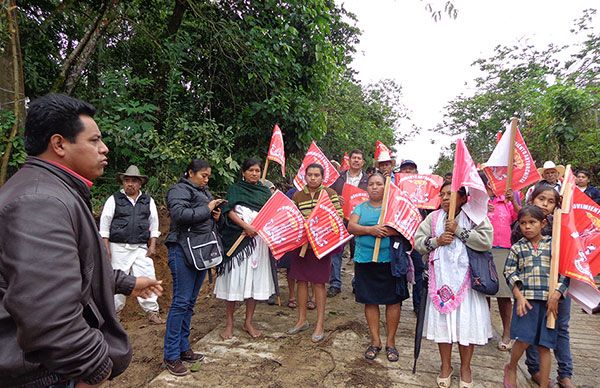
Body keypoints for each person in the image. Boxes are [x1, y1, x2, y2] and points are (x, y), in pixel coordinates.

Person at [0, 93, 162, 387]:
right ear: (59, 144)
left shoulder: (53, 191)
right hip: (47, 376)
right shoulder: (40, 201)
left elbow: (72, 269)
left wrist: (127, 283)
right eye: (94, 140)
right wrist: (95, 368)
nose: (105, 148)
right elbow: (48, 317)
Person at [414, 181, 493, 388]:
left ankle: (466, 367)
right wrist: (436, 241)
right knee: (443, 325)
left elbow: (486, 241)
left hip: (468, 282)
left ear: (464, 197)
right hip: (441, 281)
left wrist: (459, 230)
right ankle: (445, 366)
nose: (446, 197)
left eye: (450, 193)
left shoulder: (475, 217)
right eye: (443, 194)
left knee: (467, 325)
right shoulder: (433, 218)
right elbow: (418, 242)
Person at [164, 159, 225, 376]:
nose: (206, 180)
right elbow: (180, 216)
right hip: (181, 250)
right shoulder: (178, 190)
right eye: (203, 176)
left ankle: (183, 348)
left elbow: (205, 220)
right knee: (180, 302)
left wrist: (216, 216)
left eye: (208, 176)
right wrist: (207, 208)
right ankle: (171, 355)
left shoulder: (204, 192)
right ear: (190, 172)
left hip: (201, 251)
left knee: (189, 303)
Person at [511, 184, 575, 388]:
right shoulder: (521, 231)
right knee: (531, 333)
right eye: (541, 199)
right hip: (531, 292)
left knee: (559, 329)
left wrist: (557, 293)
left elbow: (567, 264)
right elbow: (513, 268)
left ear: (557, 205)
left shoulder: (564, 226)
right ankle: (536, 370)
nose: (546, 204)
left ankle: (565, 374)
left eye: (551, 201)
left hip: (559, 291)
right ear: (532, 200)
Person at [348, 173, 409, 362]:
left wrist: (387, 231)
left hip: (390, 261)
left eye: (379, 184)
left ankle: (391, 343)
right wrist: (370, 230)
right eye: (371, 184)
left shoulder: (394, 208)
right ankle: (375, 341)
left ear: (386, 187)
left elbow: (403, 228)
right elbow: (351, 227)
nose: (375, 187)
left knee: (393, 301)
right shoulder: (360, 208)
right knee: (370, 300)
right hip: (365, 260)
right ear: (366, 188)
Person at [215, 158, 275, 339]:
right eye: (251, 170)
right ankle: (229, 323)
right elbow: (229, 211)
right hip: (238, 241)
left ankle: (248, 321)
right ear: (243, 172)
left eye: (257, 171)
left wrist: (259, 228)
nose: (255, 174)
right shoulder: (235, 189)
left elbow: (272, 213)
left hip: (258, 243)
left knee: (254, 282)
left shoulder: (265, 192)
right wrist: (246, 227)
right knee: (234, 279)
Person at [99, 165, 164, 324]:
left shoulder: (147, 201)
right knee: (117, 280)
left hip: (140, 247)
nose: (130, 184)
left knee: (148, 276)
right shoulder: (114, 199)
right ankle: (114, 315)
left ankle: (152, 311)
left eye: (133, 181)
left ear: (140, 183)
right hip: (118, 247)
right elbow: (105, 224)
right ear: (122, 182)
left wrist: (152, 245)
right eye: (127, 180)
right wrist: (106, 247)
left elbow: (153, 224)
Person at [287, 163, 344, 342]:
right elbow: (292, 217)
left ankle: (319, 324)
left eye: (316, 175)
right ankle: (301, 320)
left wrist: (319, 226)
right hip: (302, 246)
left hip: (321, 246)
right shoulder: (297, 195)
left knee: (319, 284)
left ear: (322, 177)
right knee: (301, 281)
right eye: (310, 175)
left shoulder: (330, 194)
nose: (313, 178)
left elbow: (339, 216)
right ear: (305, 176)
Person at [481, 172, 520, 351]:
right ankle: (484, 329)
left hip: (504, 249)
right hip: (481, 249)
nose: (492, 183)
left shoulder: (506, 200)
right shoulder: (477, 199)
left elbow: (520, 218)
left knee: (504, 295)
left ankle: (507, 333)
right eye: (488, 180)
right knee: (484, 292)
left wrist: (514, 202)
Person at [329, 149, 369, 297]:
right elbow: (328, 193)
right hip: (340, 218)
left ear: (363, 162)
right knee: (336, 251)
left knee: (358, 252)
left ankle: (357, 283)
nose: (356, 160)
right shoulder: (338, 178)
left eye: (359, 158)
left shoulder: (368, 180)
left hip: (359, 220)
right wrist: (336, 198)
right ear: (349, 160)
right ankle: (335, 283)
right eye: (354, 158)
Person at [398, 159, 426, 313]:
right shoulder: (394, 189)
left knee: (419, 270)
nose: (407, 171)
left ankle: (418, 305)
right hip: (399, 235)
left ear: (416, 173)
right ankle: (397, 303)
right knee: (399, 269)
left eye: (411, 169)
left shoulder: (424, 191)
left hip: (418, 236)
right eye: (404, 169)